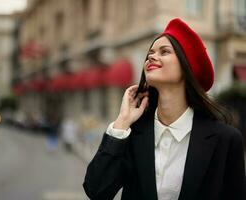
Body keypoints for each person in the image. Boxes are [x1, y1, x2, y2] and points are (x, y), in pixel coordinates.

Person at [83, 18, 246, 200]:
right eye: (150, 53)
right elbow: (96, 190)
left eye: (165, 51)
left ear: (187, 67)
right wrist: (122, 122)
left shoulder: (226, 140)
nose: (151, 56)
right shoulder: (133, 133)